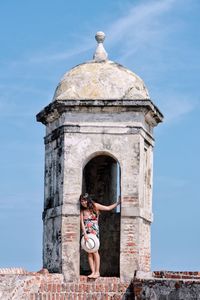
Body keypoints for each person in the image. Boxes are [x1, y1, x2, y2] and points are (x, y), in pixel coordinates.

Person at [80, 193, 120, 279]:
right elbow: (82, 224)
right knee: (89, 252)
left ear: (88, 200)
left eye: (84, 200)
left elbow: (108, 208)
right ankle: (93, 271)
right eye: (81, 201)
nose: (83, 202)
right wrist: (85, 234)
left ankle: (97, 272)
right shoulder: (82, 211)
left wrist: (118, 203)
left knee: (95, 251)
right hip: (86, 233)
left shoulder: (95, 206)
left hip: (94, 231)